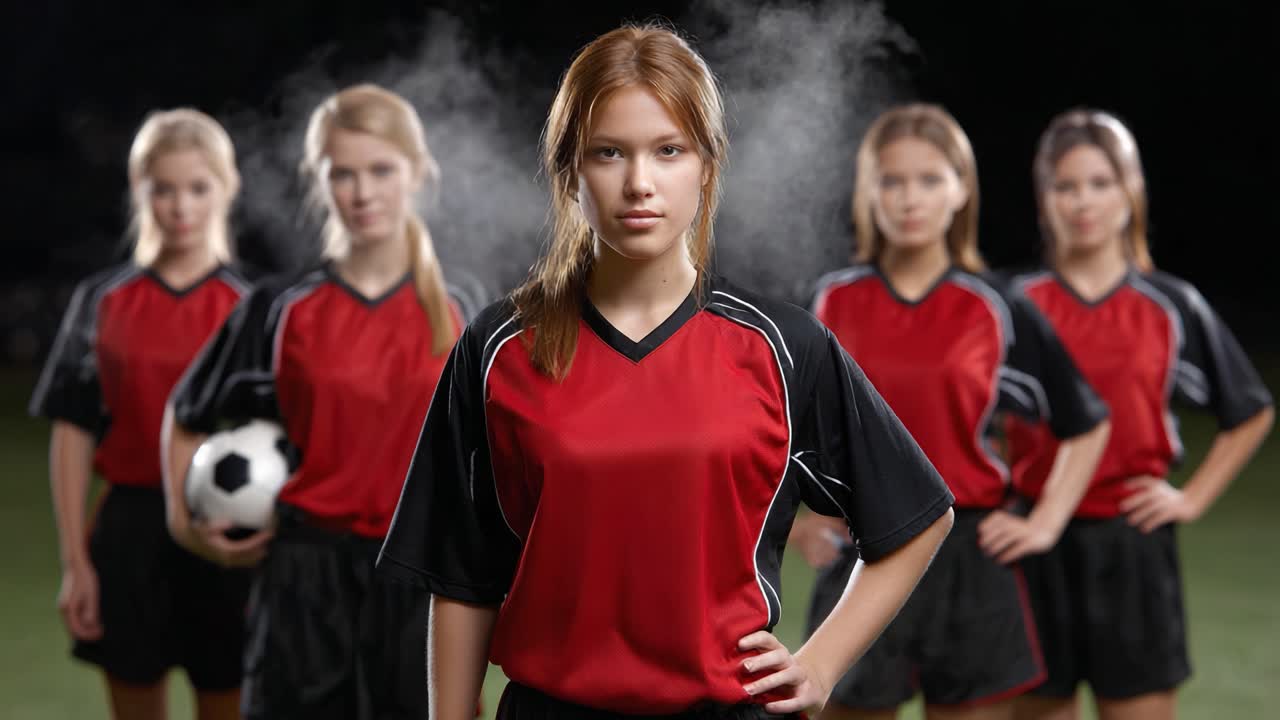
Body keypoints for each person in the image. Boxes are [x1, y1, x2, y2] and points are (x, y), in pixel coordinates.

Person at [377, 24, 956, 720]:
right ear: (569, 169)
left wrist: (820, 664)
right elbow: (461, 575)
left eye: (668, 151)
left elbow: (917, 516)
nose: (638, 183)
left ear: (707, 165)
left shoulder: (781, 346)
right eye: (608, 153)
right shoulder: (499, 346)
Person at [796, 104, 1110, 720]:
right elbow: (782, 430)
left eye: (930, 179)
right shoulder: (829, 301)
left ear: (961, 189)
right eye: (892, 181)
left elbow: (1086, 421)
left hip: (971, 558)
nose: (910, 198)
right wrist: (804, 522)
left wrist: (1044, 522)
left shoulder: (997, 305)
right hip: (865, 549)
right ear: (869, 192)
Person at [161, 84, 462, 720]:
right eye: (342, 174)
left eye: (381, 170)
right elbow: (186, 414)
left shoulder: (463, 309)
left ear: (417, 173)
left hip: (418, 587)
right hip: (304, 579)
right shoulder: (279, 309)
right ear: (317, 180)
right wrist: (186, 525)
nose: (362, 192)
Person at [1007, 109, 1274, 720]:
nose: (1083, 202)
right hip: (1032, 548)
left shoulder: (1169, 305)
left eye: (1100, 183)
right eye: (1065, 186)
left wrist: (1191, 498)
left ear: (1131, 190)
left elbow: (1250, 410)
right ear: (1044, 197)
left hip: (1133, 547)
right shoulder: (1017, 304)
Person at [31, 108, 250, 720]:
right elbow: (72, 434)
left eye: (198, 188)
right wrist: (77, 565)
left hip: (224, 532)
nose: (181, 206)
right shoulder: (102, 301)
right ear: (139, 191)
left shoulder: (253, 308)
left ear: (225, 189)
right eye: (163, 189)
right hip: (129, 534)